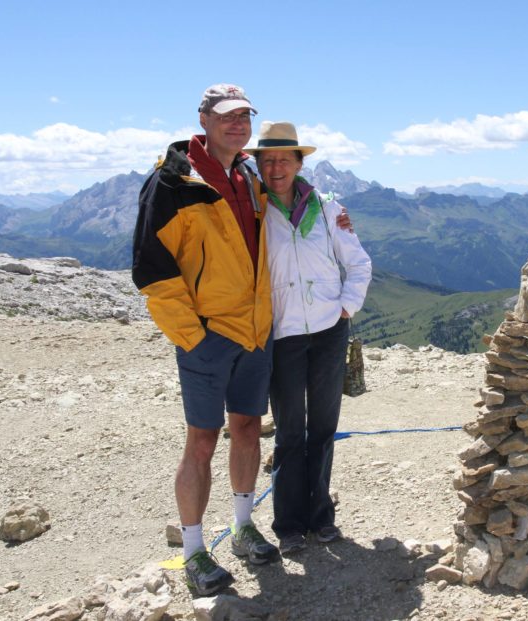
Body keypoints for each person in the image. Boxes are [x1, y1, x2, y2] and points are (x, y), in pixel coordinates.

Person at [131, 84, 281, 597]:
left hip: (254, 331)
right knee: (202, 439)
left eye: (244, 116)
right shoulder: (172, 182)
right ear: (203, 119)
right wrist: (191, 337)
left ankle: (242, 526)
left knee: (246, 428)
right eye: (227, 116)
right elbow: (152, 269)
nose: (237, 124)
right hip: (208, 336)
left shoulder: (247, 174)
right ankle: (194, 550)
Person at [244, 122, 372, 554]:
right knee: (289, 433)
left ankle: (320, 517)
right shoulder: (251, 212)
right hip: (282, 336)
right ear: (258, 165)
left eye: (284, 159)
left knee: (322, 427)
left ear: (300, 163)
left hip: (328, 332)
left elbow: (358, 264)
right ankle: (288, 525)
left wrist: (344, 308)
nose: (276, 167)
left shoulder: (328, 208)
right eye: (267, 160)